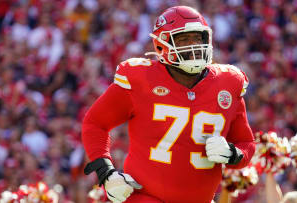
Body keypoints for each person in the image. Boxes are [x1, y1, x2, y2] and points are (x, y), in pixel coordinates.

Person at [82, 6, 255, 203]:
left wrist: (233, 154)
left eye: (197, 38)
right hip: (147, 198)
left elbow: (246, 143)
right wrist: (107, 172)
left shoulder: (228, 83)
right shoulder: (141, 79)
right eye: (183, 39)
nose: (193, 46)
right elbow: (95, 123)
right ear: (161, 46)